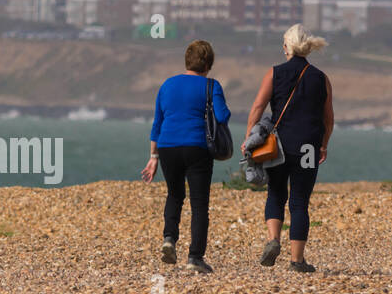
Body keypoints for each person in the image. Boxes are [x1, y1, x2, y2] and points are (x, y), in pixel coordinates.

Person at [246, 24, 334, 273]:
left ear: (286, 46)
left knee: (275, 194)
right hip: (308, 147)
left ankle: (274, 240)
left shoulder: (274, 73)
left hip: (279, 145)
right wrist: (324, 144)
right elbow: (328, 118)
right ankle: (297, 261)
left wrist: (249, 137)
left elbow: (257, 107)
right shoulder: (321, 78)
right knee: (299, 202)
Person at [141, 39, 230, 273]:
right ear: (209, 63)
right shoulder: (212, 86)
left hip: (167, 146)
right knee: (199, 203)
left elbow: (157, 123)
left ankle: (169, 238)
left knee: (174, 194)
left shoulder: (167, 85)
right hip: (196, 147)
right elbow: (222, 117)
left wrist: (153, 157)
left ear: (187, 61)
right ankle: (195, 258)